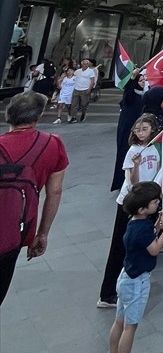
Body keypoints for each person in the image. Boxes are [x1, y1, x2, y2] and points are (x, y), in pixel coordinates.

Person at [0, 91, 68, 305]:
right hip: (14, 232)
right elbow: (54, 192)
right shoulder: (52, 144)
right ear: (37, 118)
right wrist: (42, 233)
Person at [104, 181, 163, 353]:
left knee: (119, 322)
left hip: (126, 277)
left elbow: (145, 238)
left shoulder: (134, 222)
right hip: (137, 281)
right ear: (142, 209)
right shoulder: (142, 230)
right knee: (130, 327)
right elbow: (154, 250)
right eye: (154, 202)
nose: (158, 204)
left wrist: (155, 228)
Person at [98, 115, 162, 308]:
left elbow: (157, 172)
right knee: (120, 244)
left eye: (144, 128)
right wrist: (135, 165)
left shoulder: (155, 149)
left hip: (147, 203)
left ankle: (135, 280)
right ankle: (107, 293)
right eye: (137, 129)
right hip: (131, 202)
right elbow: (134, 183)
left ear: (152, 130)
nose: (140, 132)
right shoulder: (133, 151)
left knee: (141, 242)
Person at [110, 72, 147, 190]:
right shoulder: (130, 95)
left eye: (144, 80)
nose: (143, 82)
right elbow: (128, 91)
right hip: (127, 130)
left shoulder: (143, 95)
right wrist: (131, 79)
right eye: (140, 80)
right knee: (125, 155)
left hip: (138, 130)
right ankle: (122, 182)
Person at [70, 57, 97, 122]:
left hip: (85, 89)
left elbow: (92, 81)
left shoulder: (91, 71)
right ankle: (74, 117)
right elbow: (72, 77)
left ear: (88, 65)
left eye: (86, 64)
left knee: (83, 104)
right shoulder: (77, 71)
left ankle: (83, 113)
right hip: (76, 88)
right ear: (82, 64)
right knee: (74, 104)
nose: (85, 65)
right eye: (84, 64)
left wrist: (89, 89)